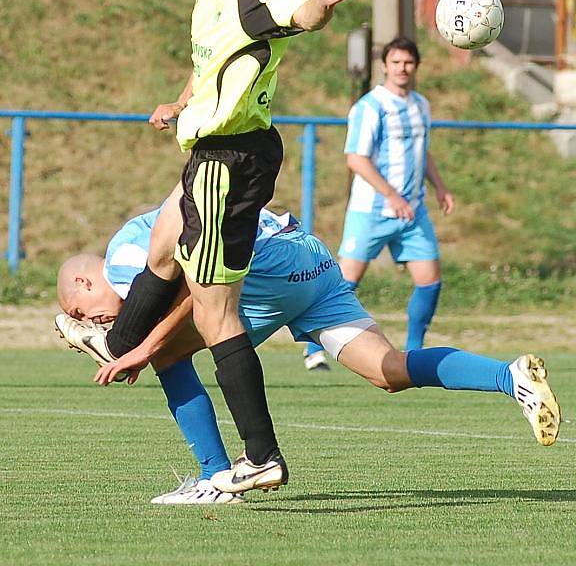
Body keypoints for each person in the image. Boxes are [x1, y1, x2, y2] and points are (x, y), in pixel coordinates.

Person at [57, 0, 369, 495]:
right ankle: (116, 339)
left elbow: (295, 15)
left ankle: (262, 456)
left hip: (234, 158)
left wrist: (323, 3)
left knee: (215, 311)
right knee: (163, 243)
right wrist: (182, 100)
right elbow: (211, 59)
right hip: (208, 152)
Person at [56, 206, 561, 503]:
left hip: (269, 269)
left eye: (83, 310)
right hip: (308, 258)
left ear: (84, 279)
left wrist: (139, 347)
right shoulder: (134, 241)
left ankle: (213, 477)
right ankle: (509, 375)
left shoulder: (124, 261)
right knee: (389, 370)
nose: (94, 318)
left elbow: (199, 289)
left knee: (167, 354)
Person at [338, 36, 454, 351]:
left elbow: (423, 151)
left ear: (416, 66)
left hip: (412, 211)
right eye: (396, 63)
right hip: (371, 210)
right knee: (342, 286)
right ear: (385, 66)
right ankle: (314, 350)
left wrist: (440, 187)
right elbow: (356, 159)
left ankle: (414, 351)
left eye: (408, 63)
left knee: (430, 280)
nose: (402, 68)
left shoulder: (421, 105)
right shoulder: (370, 107)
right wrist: (390, 194)